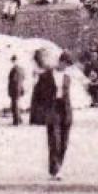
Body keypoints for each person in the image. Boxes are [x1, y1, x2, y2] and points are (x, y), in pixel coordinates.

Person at [31, 51, 74, 180]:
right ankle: (55, 170)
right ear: (60, 62)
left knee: (64, 142)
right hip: (52, 108)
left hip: (65, 110)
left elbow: (68, 96)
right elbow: (37, 94)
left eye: (68, 65)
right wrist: (39, 111)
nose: (65, 67)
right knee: (54, 140)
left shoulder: (67, 77)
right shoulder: (46, 76)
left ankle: (59, 166)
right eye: (65, 64)